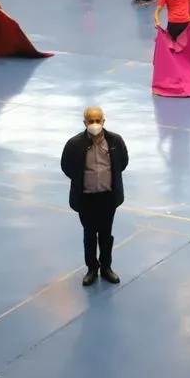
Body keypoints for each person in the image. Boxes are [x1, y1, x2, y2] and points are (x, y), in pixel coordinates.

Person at [61, 106, 129, 286]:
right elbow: (67, 167)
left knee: (106, 235)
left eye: (98, 120)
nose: (94, 124)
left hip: (107, 197)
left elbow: (122, 163)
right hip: (86, 199)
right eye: (90, 121)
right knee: (89, 235)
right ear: (84, 123)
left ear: (104, 121)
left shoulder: (115, 141)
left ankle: (106, 268)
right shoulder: (74, 144)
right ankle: (92, 269)